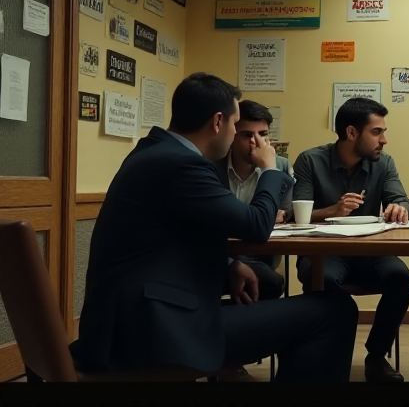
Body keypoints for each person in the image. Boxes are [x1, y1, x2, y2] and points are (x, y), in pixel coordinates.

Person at [70, 72, 359, 382]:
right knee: (334, 311)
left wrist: (229, 265)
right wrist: (270, 168)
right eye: (236, 125)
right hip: (150, 333)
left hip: (132, 320)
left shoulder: (155, 151)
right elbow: (257, 225)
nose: (237, 132)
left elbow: (169, 240)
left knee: (302, 303)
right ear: (218, 122)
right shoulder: (181, 164)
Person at [292, 97, 409, 383]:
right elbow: (294, 215)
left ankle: (376, 356)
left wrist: (401, 208)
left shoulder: (384, 163)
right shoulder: (310, 160)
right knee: (322, 279)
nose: (384, 140)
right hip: (323, 252)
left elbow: (401, 198)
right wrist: (332, 211)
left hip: (369, 250)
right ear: (351, 133)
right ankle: (328, 355)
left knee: (400, 278)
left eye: (383, 132)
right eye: (376, 132)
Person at [214, 100, 290, 301]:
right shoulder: (213, 165)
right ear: (232, 136)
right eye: (247, 135)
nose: (256, 142)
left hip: (261, 254)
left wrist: (268, 168)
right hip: (221, 252)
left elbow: (287, 212)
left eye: (263, 134)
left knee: (269, 280)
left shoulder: (280, 165)